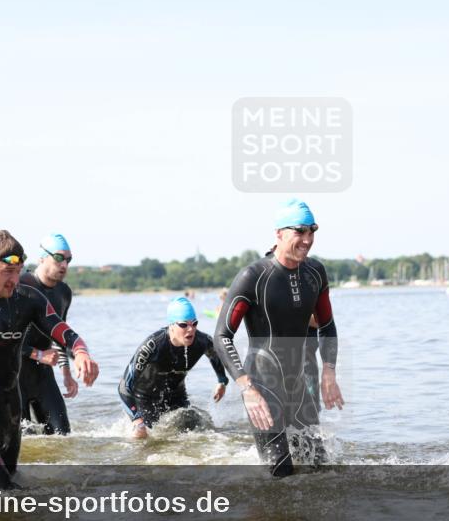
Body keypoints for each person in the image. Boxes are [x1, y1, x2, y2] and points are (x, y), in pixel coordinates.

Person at [0, 230, 99, 490]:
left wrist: (81, 352)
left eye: (19, 271)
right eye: (7, 272)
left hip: (10, 425)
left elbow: (64, 332)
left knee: (16, 495)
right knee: (4, 494)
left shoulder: (27, 299)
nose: (15, 280)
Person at [214, 199, 344, 477]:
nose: (307, 240)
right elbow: (222, 336)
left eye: (312, 231)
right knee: (281, 473)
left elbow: (327, 325)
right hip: (262, 386)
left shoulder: (315, 273)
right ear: (279, 234)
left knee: (322, 471)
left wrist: (329, 372)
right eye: (300, 231)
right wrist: (247, 388)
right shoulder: (254, 276)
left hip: (299, 385)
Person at [119, 297, 229, 438]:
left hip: (177, 398)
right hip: (145, 401)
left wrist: (222, 381)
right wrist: (136, 420)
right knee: (146, 439)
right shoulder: (153, 346)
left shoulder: (203, 341)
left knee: (201, 430)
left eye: (194, 323)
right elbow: (124, 387)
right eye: (183, 325)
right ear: (171, 325)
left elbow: (215, 356)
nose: (191, 329)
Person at [19, 233, 77, 435]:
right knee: (22, 439)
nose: (64, 265)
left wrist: (67, 374)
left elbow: (59, 336)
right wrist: (38, 354)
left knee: (63, 437)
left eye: (68, 259)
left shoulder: (64, 292)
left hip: (43, 376)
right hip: (13, 376)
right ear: (42, 258)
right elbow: (2, 338)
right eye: (59, 258)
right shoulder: (20, 286)